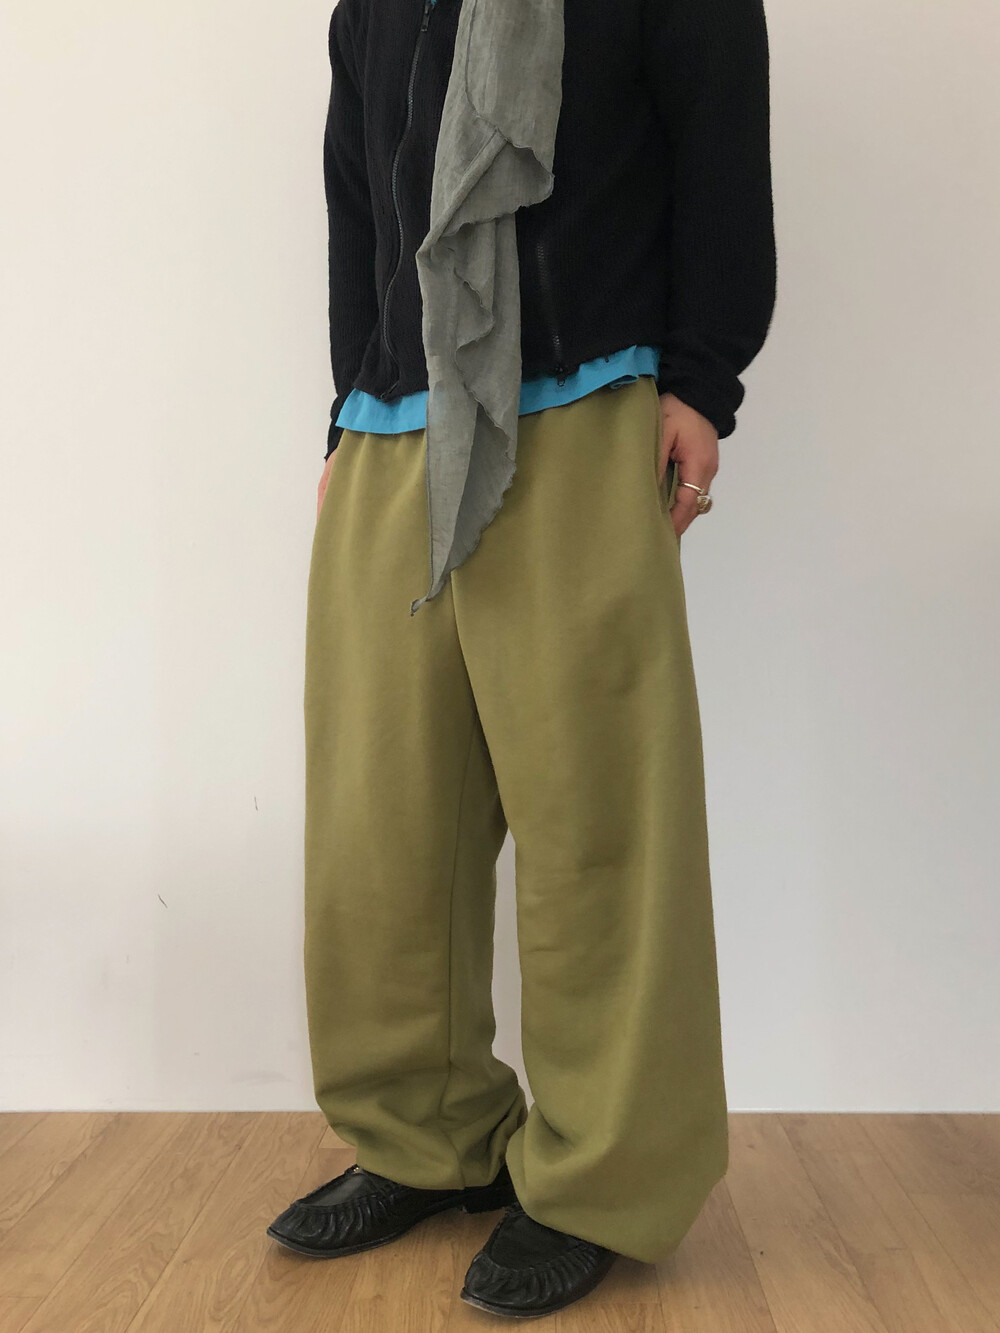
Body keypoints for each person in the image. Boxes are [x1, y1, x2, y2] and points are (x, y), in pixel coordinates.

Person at [267, 0, 776, 1319]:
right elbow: (358, 211)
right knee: (382, 823)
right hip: (396, 424)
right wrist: (347, 414)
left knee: (598, 821)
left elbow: (722, 158)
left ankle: (602, 1176)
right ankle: (422, 1136)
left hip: (586, 401)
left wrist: (701, 381)